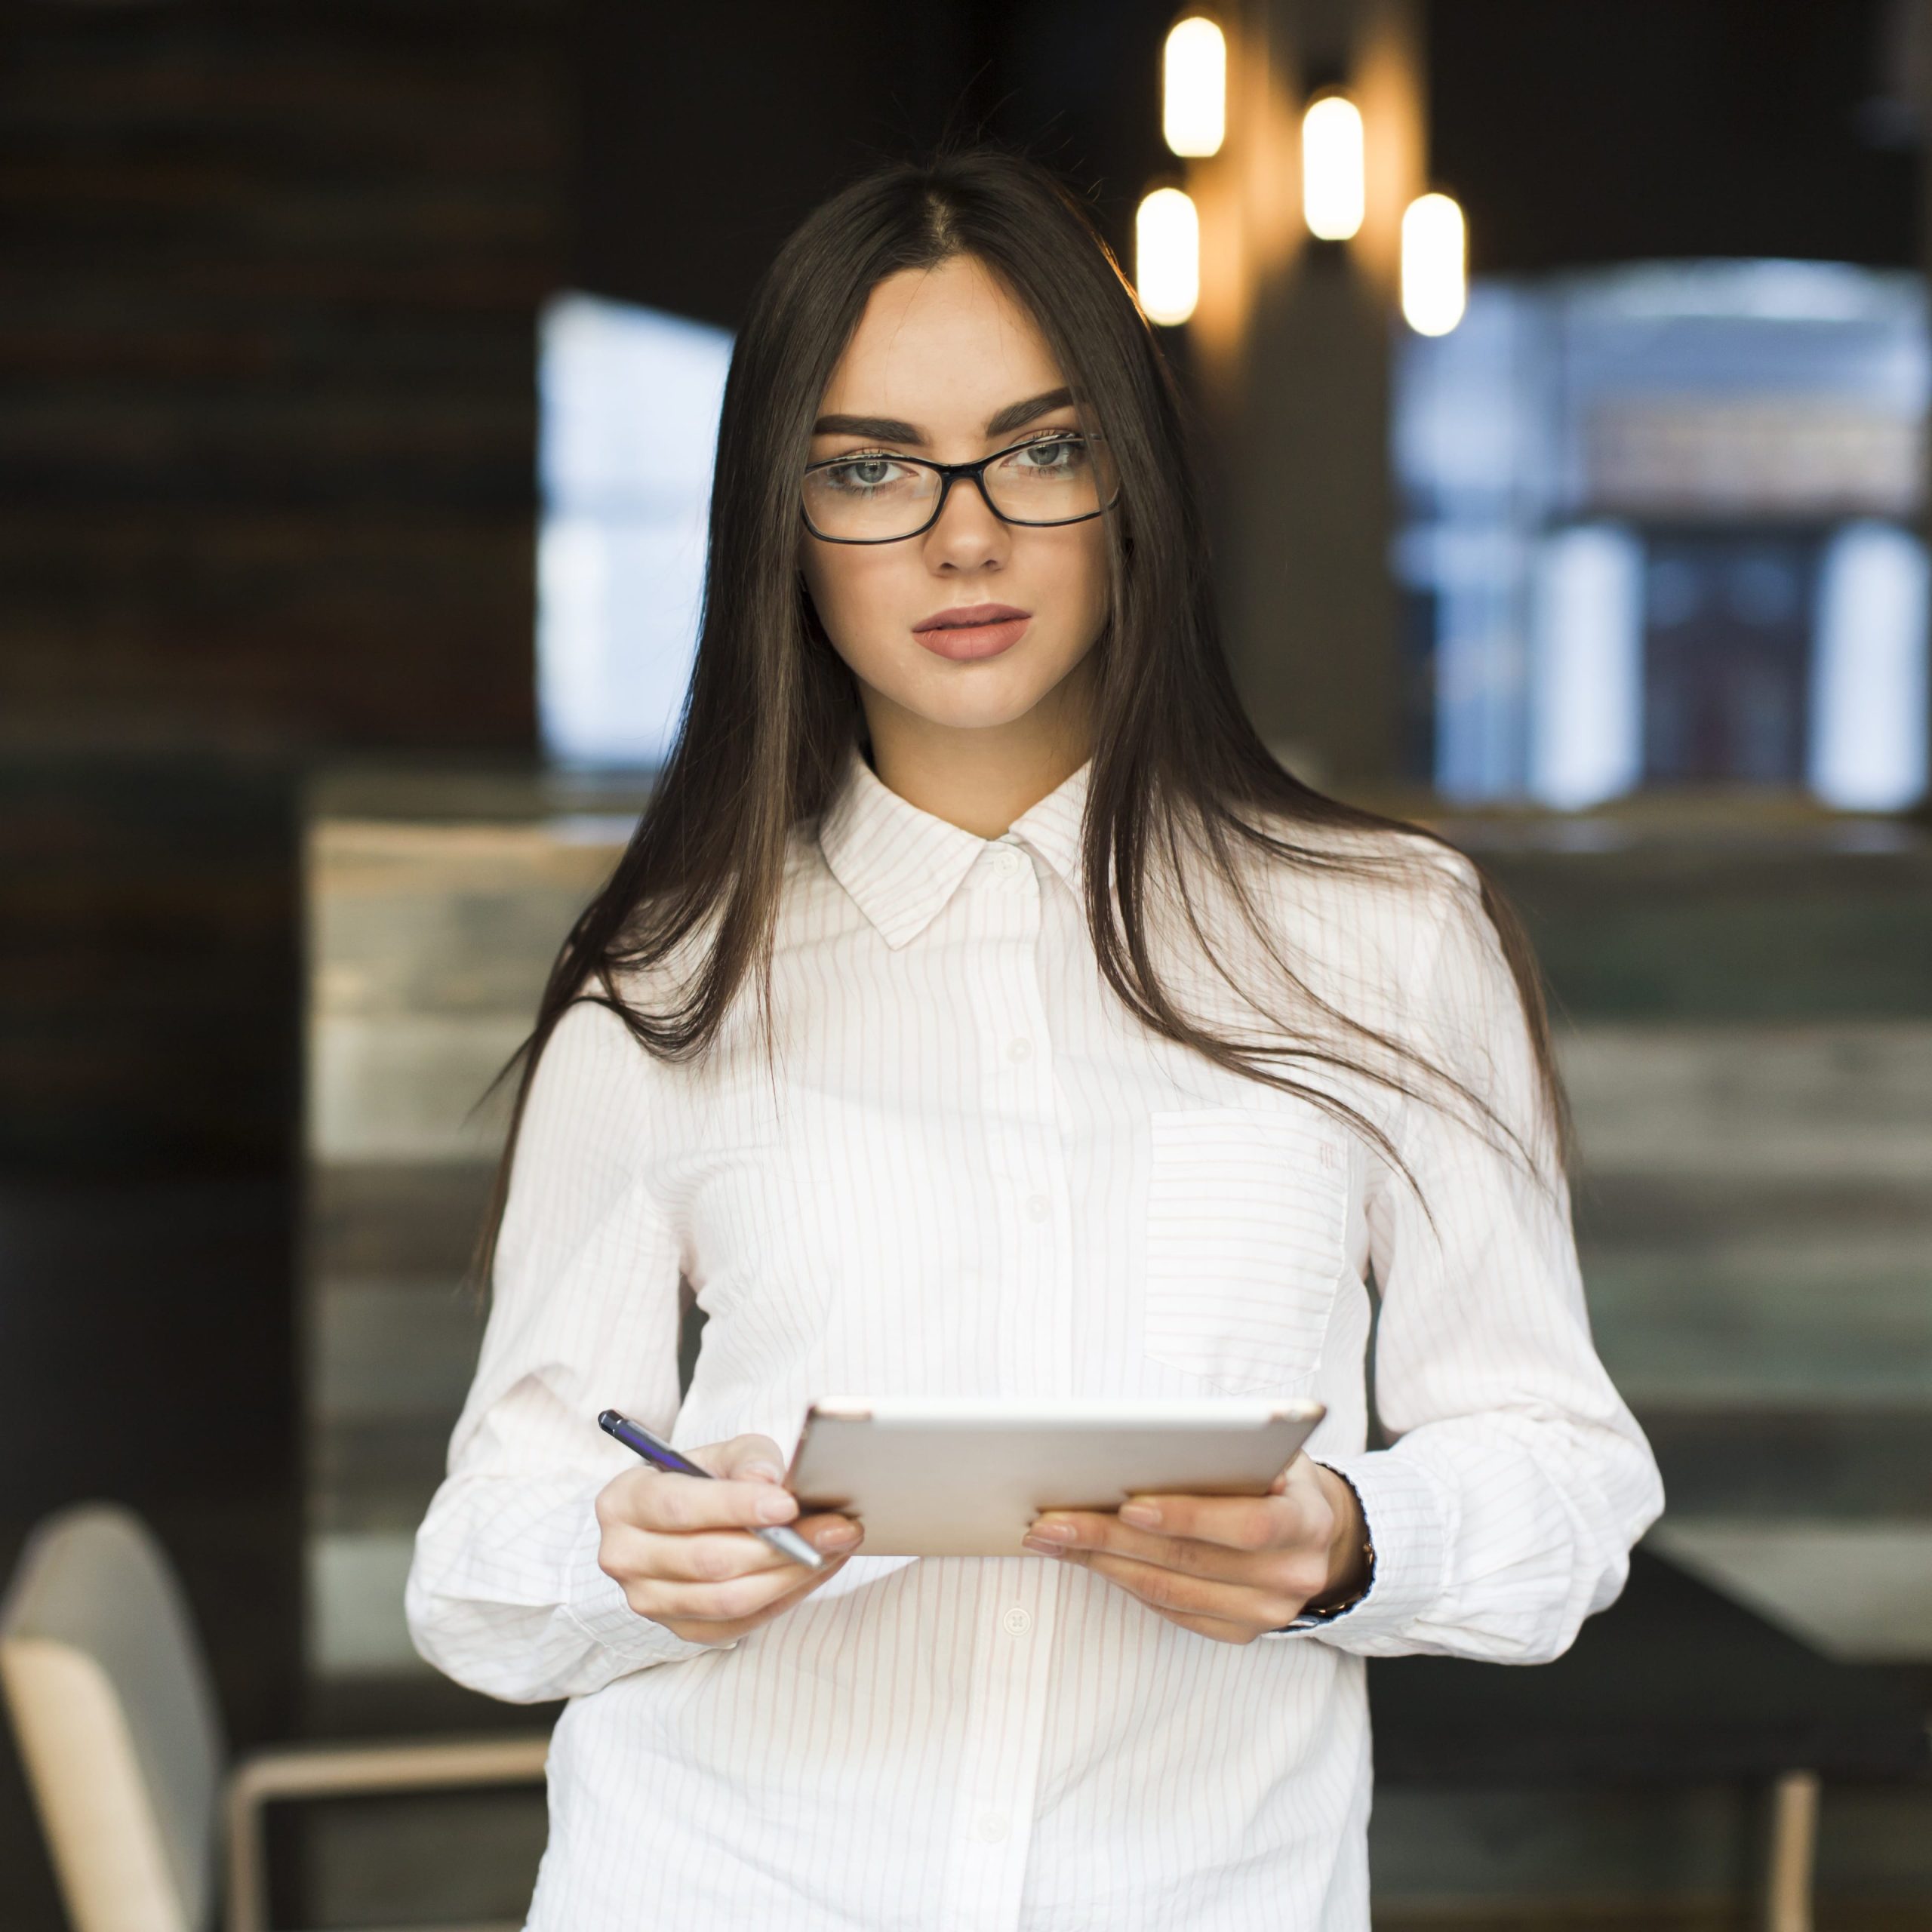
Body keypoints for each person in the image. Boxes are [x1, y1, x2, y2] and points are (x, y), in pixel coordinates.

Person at [406, 149, 1663, 1931]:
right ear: (779, 520)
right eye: (866, 469)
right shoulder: (673, 978)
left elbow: (1565, 1479)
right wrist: (627, 1552)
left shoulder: (1386, 937)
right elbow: (477, 1567)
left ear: (1130, 482)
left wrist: (1345, 1542)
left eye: (1039, 447)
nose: (962, 532)